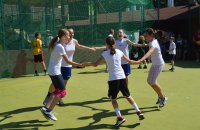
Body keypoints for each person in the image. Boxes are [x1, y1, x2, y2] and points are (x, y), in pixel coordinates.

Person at [86, 36, 144, 128]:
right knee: (128, 96)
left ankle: (120, 118)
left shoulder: (105, 53)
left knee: (113, 99)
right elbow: (129, 61)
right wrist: (139, 61)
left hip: (113, 79)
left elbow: (95, 64)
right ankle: (138, 111)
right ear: (114, 44)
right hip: (122, 77)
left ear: (107, 45)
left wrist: (85, 64)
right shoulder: (120, 52)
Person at [40, 29, 85, 121]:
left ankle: (46, 107)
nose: (69, 36)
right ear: (63, 36)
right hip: (55, 72)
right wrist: (79, 65)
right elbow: (68, 61)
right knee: (63, 92)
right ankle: (48, 111)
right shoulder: (60, 46)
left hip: (53, 71)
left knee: (57, 90)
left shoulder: (58, 44)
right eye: (68, 35)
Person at [43, 28, 96, 106]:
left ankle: (58, 99)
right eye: (69, 33)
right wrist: (79, 65)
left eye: (72, 33)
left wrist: (89, 48)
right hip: (59, 66)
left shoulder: (74, 41)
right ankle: (48, 97)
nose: (71, 35)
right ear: (65, 35)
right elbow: (65, 58)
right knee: (55, 84)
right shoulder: (62, 43)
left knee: (63, 84)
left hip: (68, 66)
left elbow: (79, 46)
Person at [138, 28, 168, 108]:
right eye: (144, 36)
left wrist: (142, 59)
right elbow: (148, 46)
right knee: (149, 81)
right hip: (155, 64)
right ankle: (160, 95)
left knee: (153, 82)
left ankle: (163, 98)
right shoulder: (152, 42)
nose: (145, 37)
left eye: (146, 36)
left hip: (158, 64)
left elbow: (150, 52)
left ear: (151, 35)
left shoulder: (153, 43)